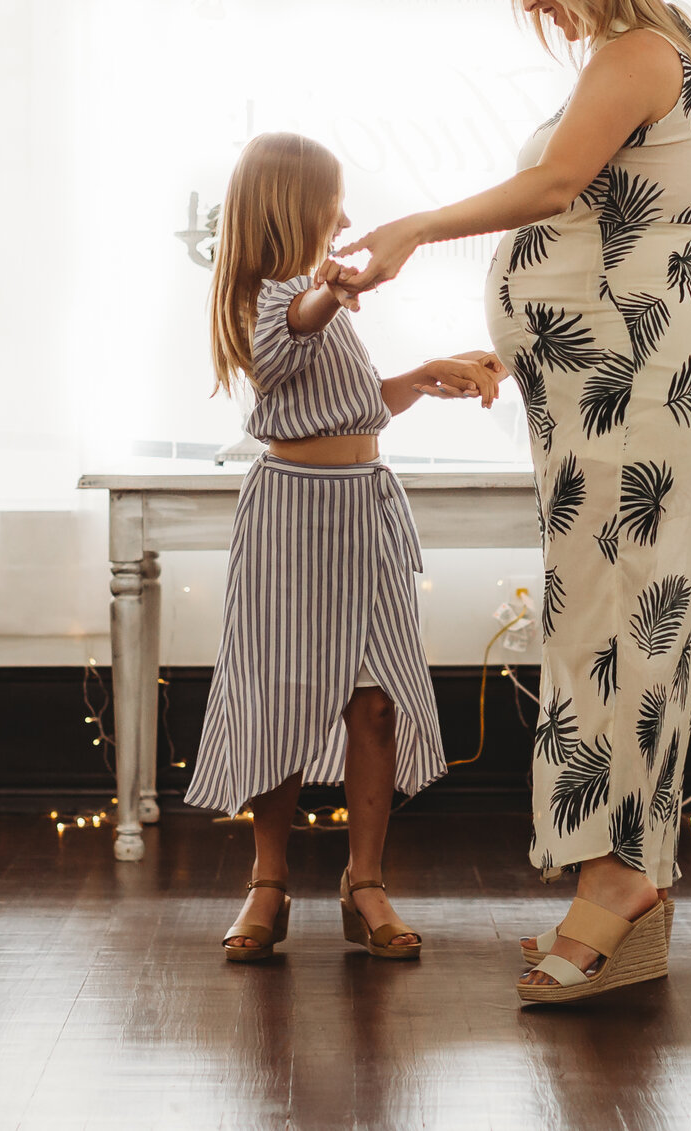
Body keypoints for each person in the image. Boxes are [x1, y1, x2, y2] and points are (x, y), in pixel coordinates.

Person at [337, 0, 691, 1004]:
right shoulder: (645, 49)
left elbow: (558, 184)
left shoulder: (640, 50)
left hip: (633, 392)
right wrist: (520, 341)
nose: (530, 2)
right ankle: (617, 879)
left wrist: (416, 225)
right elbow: (622, 224)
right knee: (601, 619)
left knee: (615, 628)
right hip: (602, 385)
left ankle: (617, 886)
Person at [189, 131, 507, 963]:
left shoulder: (314, 303)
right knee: (278, 698)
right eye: (334, 200)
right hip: (291, 521)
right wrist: (330, 290)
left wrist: (421, 378)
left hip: (361, 512)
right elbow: (290, 331)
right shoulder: (268, 298)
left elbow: (349, 403)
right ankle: (268, 880)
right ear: (296, 205)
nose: (347, 216)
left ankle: (365, 880)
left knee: (375, 700)